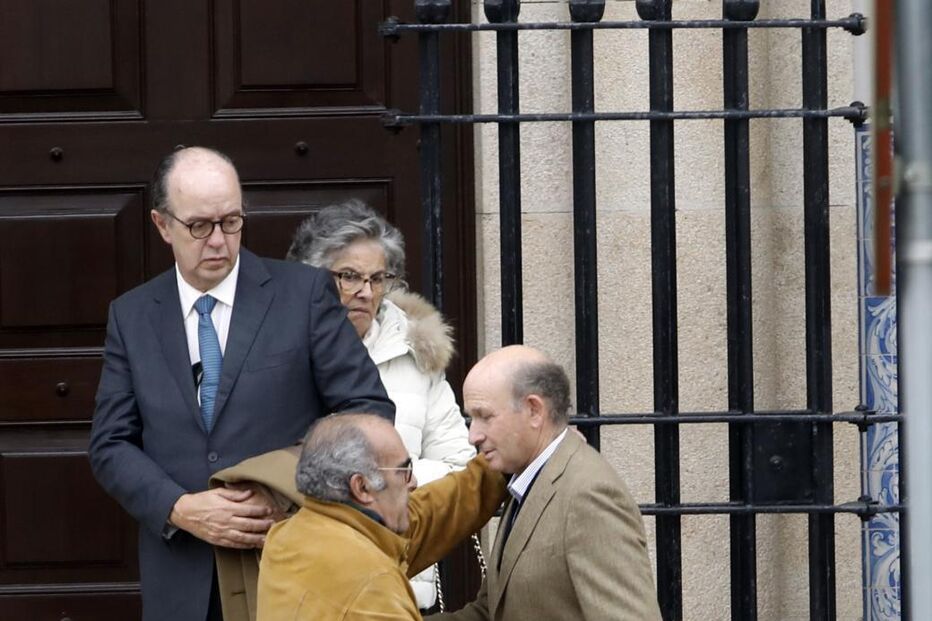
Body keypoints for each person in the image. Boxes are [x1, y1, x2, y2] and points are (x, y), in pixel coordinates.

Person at [88, 147, 394, 621]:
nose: (218, 241)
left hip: (289, 565)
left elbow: (368, 412)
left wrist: (278, 486)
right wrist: (179, 507)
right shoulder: (131, 316)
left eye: (231, 222)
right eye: (200, 226)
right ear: (162, 224)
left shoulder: (303, 294)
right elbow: (110, 444)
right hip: (182, 580)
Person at [286, 200, 475, 609]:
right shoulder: (276, 350)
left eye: (378, 278)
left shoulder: (416, 352)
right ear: (310, 278)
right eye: (348, 277)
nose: (365, 293)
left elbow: (459, 464)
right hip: (307, 588)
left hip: (399, 585)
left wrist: (382, 478)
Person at [427, 345, 662, 621]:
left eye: (485, 416)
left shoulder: (588, 495)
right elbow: (490, 613)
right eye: (472, 418)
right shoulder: (525, 481)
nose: (473, 435)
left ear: (534, 410)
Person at [252, 413, 506, 620]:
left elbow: (428, 513)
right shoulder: (372, 583)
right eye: (403, 470)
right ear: (361, 487)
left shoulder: (291, 534)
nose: (414, 482)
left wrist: (498, 467)